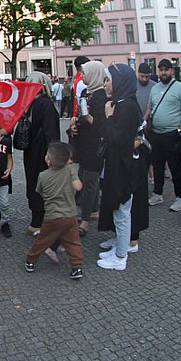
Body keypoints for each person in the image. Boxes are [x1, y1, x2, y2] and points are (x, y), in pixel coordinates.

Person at [97, 64, 143, 271]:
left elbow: (117, 139)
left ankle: (120, 256)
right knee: (120, 210)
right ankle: (120, 246)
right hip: (119, 164)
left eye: (108, 80)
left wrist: (108, 118)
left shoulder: (126, 107)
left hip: (123, 167)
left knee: (122, 211)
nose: (105, 84)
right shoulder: (123, 103)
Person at [24, 142, 83, 279]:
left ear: (49, 161)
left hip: (52, 216)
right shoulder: (70, 170)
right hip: (70, 215)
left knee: (43, 240)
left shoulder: (43, 176)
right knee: (73, 242)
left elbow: (40, 191)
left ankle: (31, 261)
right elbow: (78, 186)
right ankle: (77, 267)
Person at [146, 59, 181, 212]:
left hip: (172, 134)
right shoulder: (154, 88)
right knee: (158, 165)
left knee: (175, 167)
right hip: (156, 134)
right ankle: (157, 193)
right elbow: (150, 107)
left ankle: (180, 197)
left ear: (172, 71)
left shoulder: (180, 88)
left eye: (166, 70)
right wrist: (144, 121)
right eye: (161, 70)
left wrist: (180, 129)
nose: (163, 72)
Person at [70, 60, 107, 237]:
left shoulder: (102, 95)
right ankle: (93, 211)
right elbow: (81, 115)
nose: (82, 76)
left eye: (84, 73)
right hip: (84, 143)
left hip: (95, 146)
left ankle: (84, 221)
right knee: (84, 177)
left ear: (94, 74)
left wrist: (85, 116)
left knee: (90, 183)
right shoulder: (86, 91)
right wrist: (75, 123)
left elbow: (100, 124)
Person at [23, 72, 61, 236]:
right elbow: (51, 133)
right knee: (45, 186)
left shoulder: (28, 104)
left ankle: (36, 221)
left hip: (30, 152)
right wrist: (53, 155)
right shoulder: (46, 104)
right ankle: (42, 223)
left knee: (33, 184)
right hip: (43, 153)